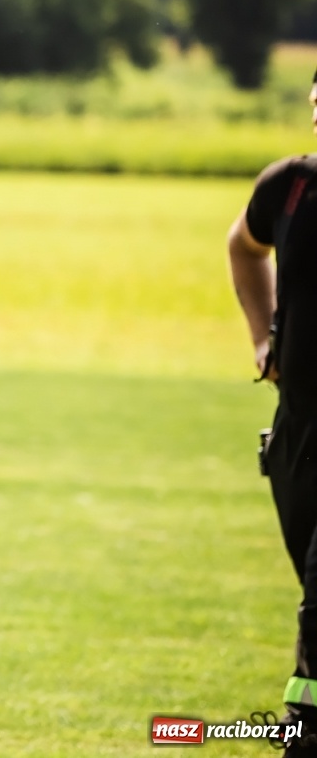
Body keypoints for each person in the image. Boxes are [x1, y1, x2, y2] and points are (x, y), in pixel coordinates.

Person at [229, 67, 317, 746]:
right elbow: (243, 246)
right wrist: (264, 338)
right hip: (298, 429)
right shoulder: (289, 188)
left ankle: (303, 725)